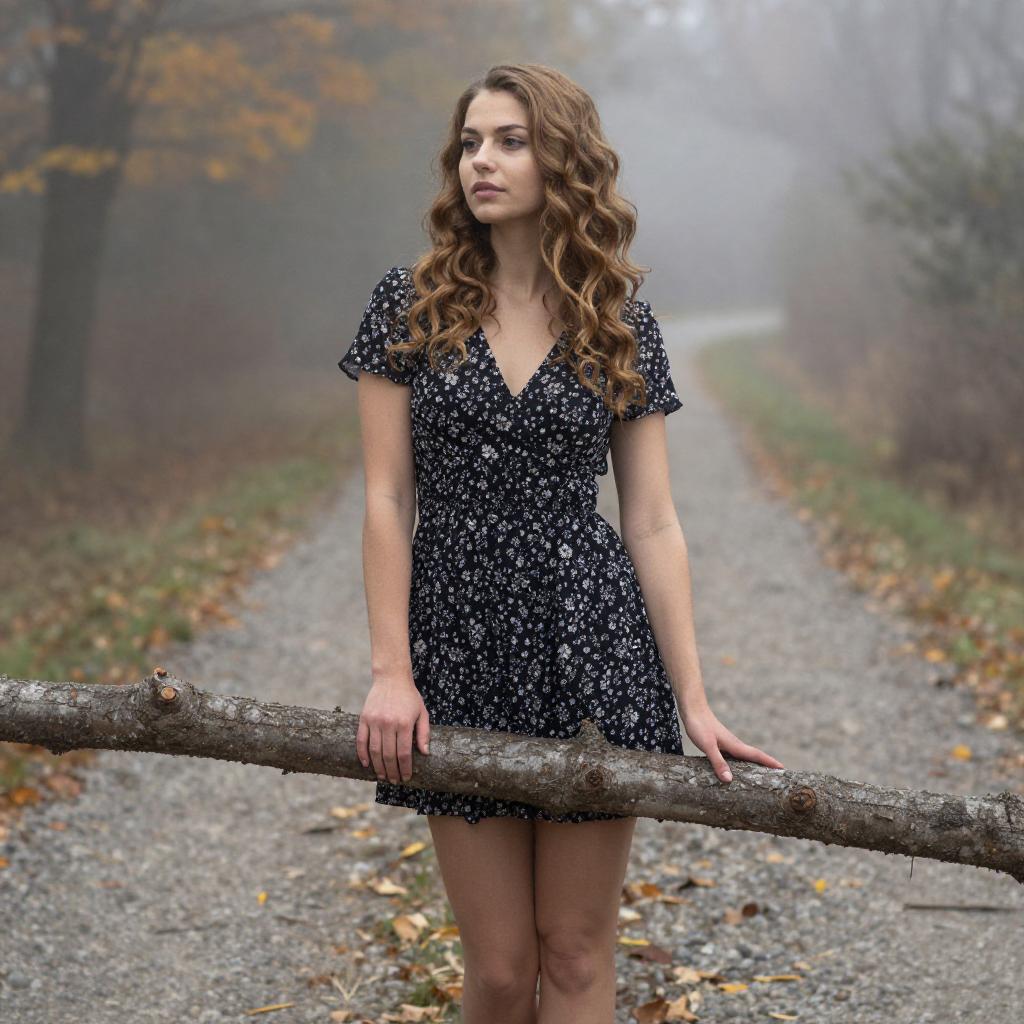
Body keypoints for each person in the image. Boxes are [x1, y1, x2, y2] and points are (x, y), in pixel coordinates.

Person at [339, 63, 784, 1024]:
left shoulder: (616, 322)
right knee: (500, 969)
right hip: (457, 645)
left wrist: (693, 699)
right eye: (470, 143)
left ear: (563, 160)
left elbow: (652, 520)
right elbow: (384, 496)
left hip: (594, 648)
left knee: (577, 956)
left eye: (511, 141)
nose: (482, 161)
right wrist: (391, 671)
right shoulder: (408, 305)